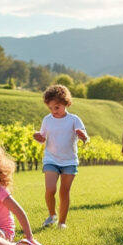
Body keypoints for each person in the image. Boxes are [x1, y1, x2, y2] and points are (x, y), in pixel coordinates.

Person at [33, 84, 89, 229]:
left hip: (69, 161)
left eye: (56, 107)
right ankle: (52, 215)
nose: (53, 111)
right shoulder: (47, 120)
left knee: (64, 191)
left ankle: (62, 223)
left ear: (66, 103)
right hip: (51, 159)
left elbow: (84, 137)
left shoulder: (74, 119)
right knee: (50, 189)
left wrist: (83, 137)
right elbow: (43, 137)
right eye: (50, 108)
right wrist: (39, 138)